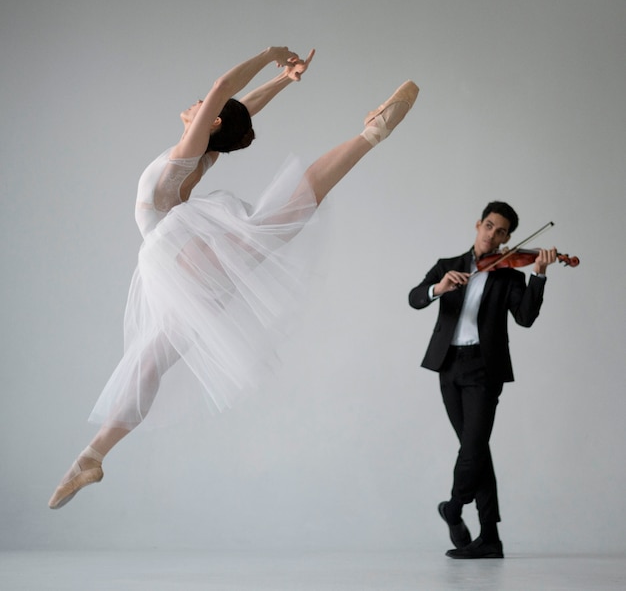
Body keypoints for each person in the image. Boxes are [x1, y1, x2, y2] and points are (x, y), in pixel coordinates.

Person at [48, 46, 419, 509]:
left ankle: (370, 133)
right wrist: (285, 81)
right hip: (190, 272)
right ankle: (92, 455)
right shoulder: (205, 153)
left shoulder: (189, 153)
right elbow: (238, 109)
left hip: (175, 255)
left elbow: (224, 92)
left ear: (211, 121)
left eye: (203, 107)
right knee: (277, 220)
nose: (195, 104)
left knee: (151, 359)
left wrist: (269, 55)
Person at [408, 201, 557, 559]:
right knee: (477, 452)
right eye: (489, 226)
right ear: (478, 225)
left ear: (508, 237)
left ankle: (454, 506)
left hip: (484, 369)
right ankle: (490, 536)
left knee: (472, 449)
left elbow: (525, 318)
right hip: (448, 366)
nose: (493, 234)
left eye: (501, 231)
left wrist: (538, 274)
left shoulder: (509, 274)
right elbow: (415, 299)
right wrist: (439, 288)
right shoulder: (448, 267)